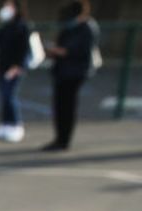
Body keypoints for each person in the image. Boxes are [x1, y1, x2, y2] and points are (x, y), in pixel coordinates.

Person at [44, 1, 99, 152]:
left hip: (74, 73)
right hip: (62, 72)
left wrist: (56, 50)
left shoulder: (86, 28)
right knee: (60, 107)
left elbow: (70, 50)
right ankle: (59, 139)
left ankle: (63, 141)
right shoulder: (70, 28)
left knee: (67, 108)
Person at [0, 1, 31, 143]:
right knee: (4, 96)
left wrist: (18, 66)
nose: (5, 9)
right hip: (3, 66)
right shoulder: (7, 26)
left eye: (9, 6)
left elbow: (24, 49)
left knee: (10, 95)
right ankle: (5, 125)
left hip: (15, 68)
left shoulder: (22, 26)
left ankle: (16, 125)